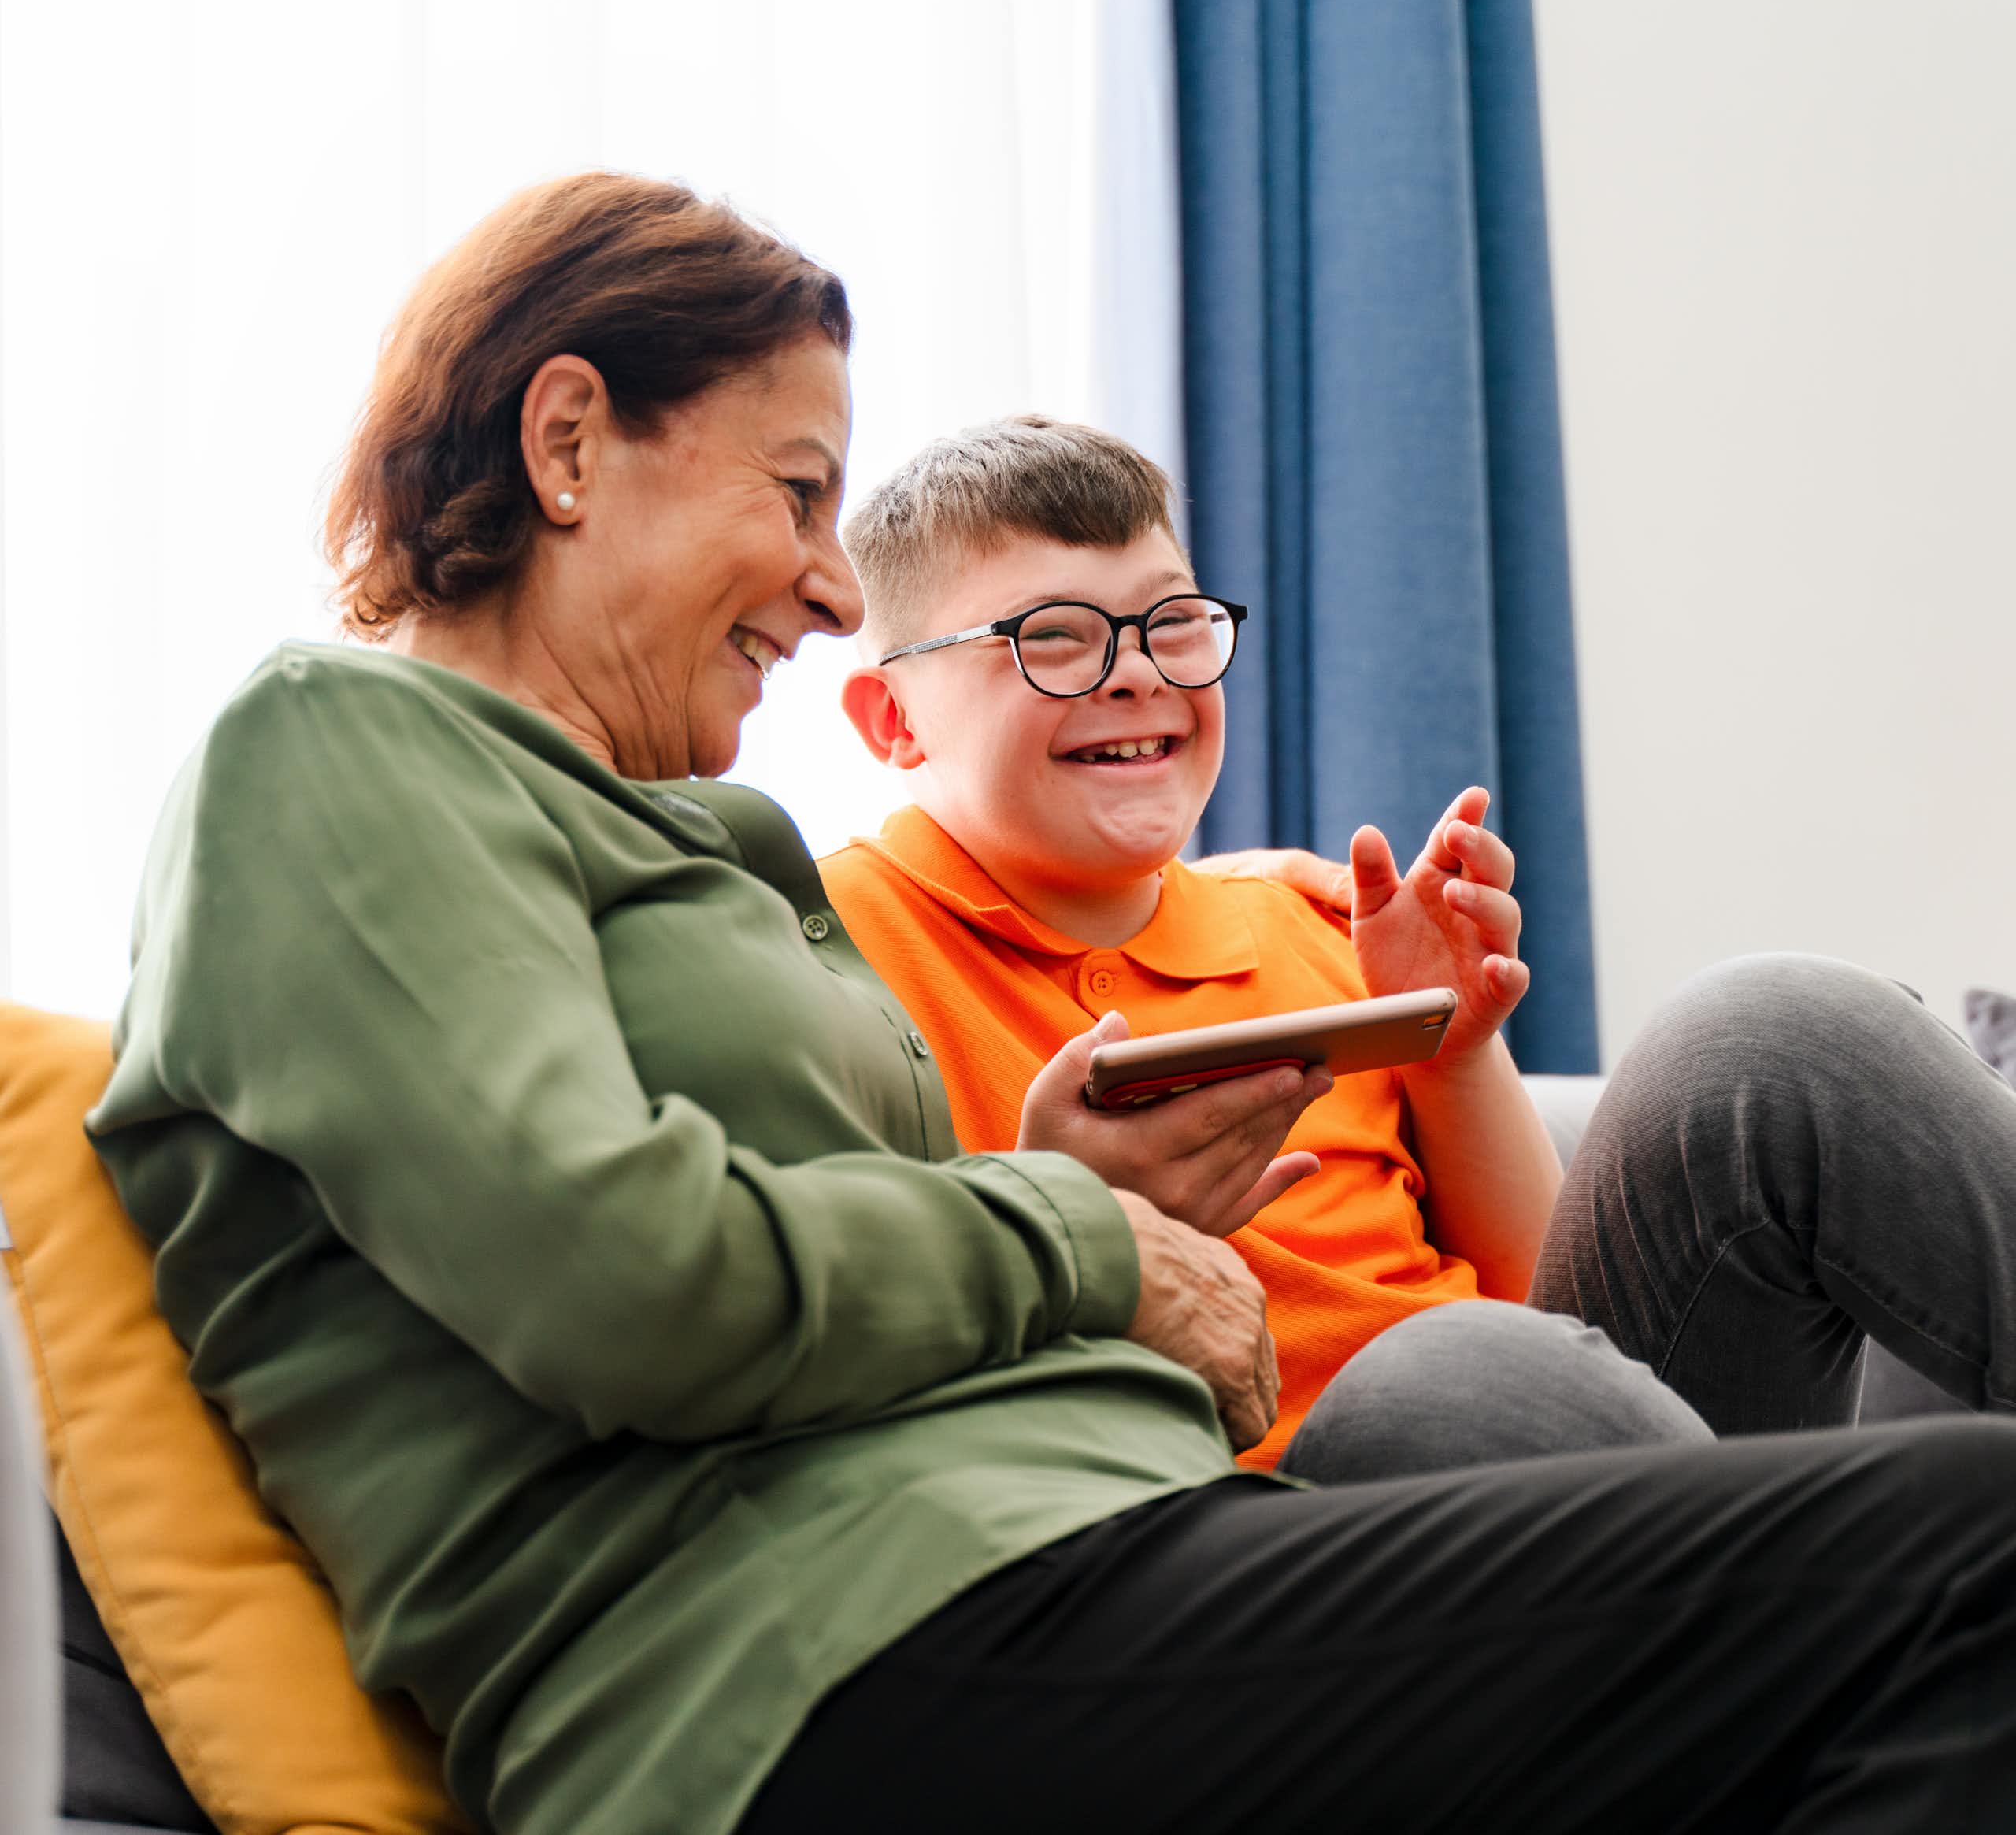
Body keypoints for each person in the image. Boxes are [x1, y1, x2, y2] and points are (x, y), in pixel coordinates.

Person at [84, 173, 2016, 1835]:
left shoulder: (700, 848)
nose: (828, 586)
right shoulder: (334, 749)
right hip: (826, 1661)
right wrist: (1079, 1232)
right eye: (797, 490)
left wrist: (1074, 1192)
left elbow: (873, 1269)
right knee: (1970, 1547)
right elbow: (629, 1276)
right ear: (569, 441)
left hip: (1075, 1551)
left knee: (1827, 1201)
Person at [825, 413, 2016, 1466]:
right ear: (893, 719)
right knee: (1452, 1374)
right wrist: (1063, 1209)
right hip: (1274, 1540)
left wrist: (1453, 1048)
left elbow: (1570, 1312)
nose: (1138, 675)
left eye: (1172, 624)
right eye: (1058, 637)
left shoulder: (1309, 920)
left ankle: (1821, 1631)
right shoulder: (832, 950)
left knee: (1777, 1026)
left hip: (1577, 1467)